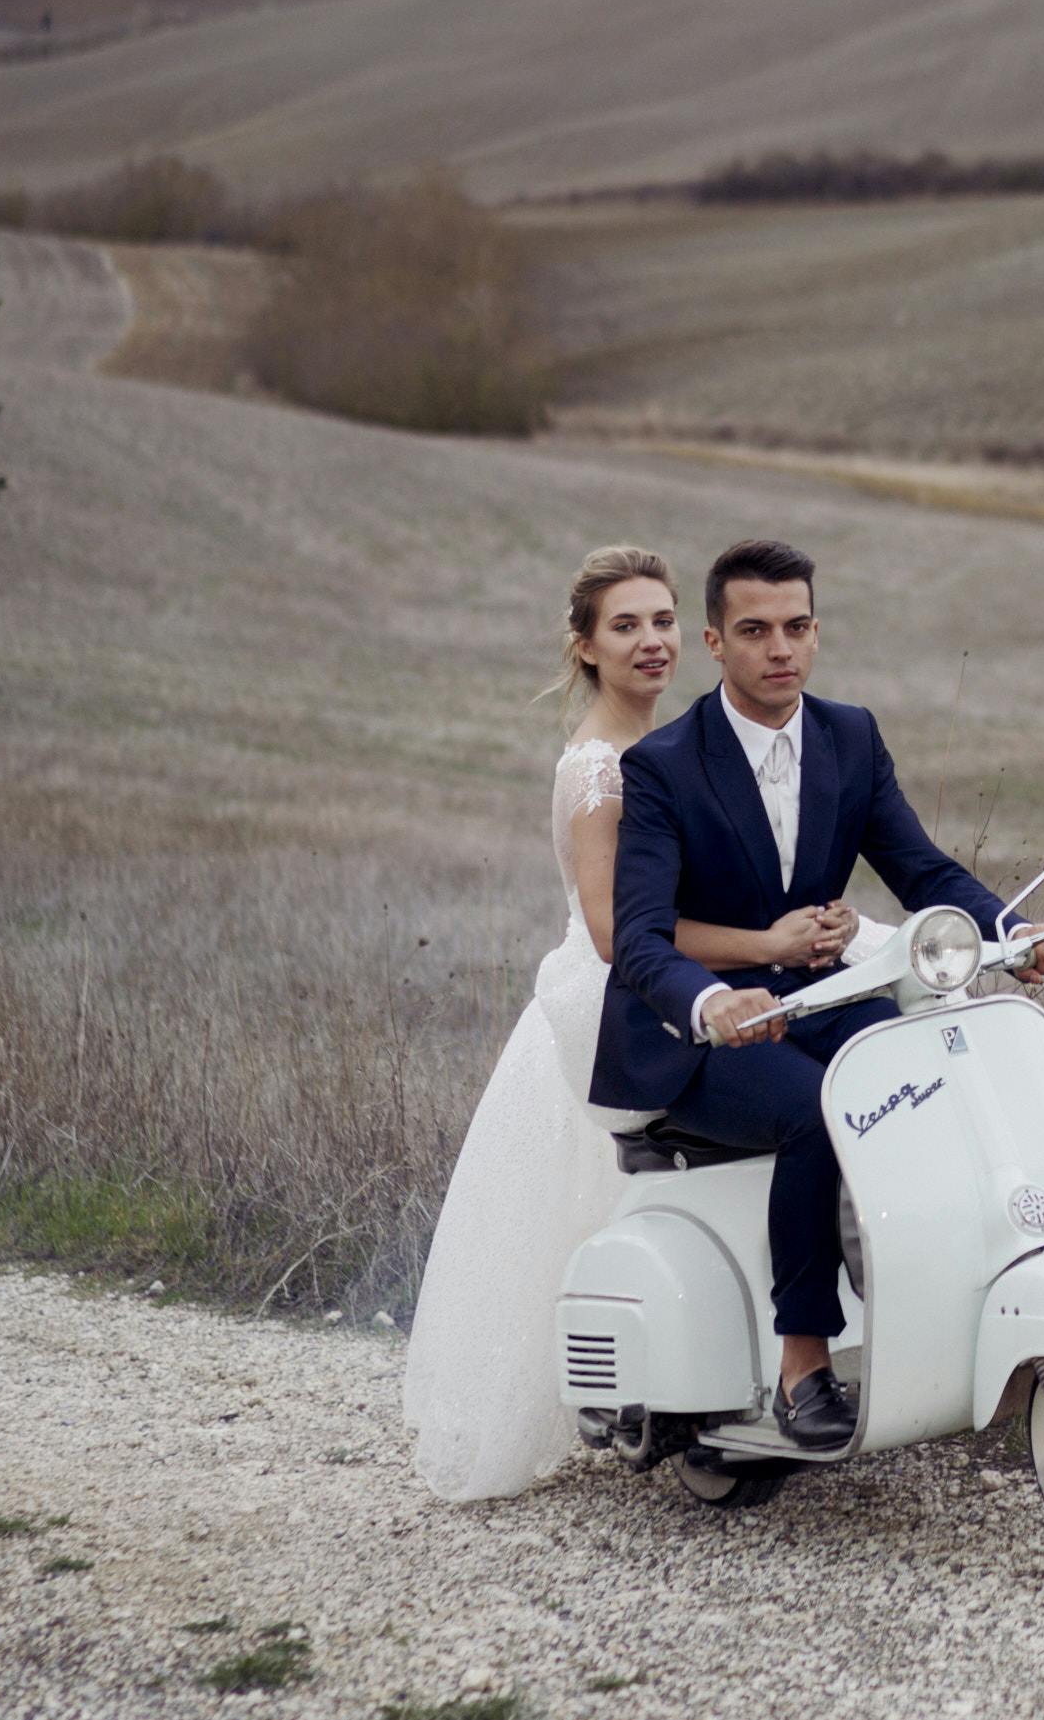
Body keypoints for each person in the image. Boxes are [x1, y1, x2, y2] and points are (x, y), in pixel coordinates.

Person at [403, 546, 864, 1502]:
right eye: (626, 625)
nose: (651, 642)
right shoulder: (600, 768)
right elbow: (620, 932)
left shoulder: (682, 749)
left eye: (661, 621)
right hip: (619, 997)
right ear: (584, 647)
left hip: (700, 975)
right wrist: (761, 940)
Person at [601, 538, 1044, 1450]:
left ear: (816, 633)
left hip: (818, 995)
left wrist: (1012, 935)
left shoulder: (850, 734)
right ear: (715, 641)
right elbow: (638, 938)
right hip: (697, 1034)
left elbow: (920, 866)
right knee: (823, 1113)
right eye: (755, 630)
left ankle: (935, 1313)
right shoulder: (664, 764)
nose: (779, 648)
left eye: (797, 627)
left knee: (932, 1071)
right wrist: (710, 1003)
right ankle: (803, 1362)